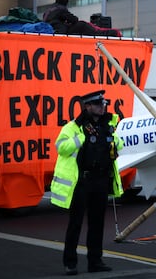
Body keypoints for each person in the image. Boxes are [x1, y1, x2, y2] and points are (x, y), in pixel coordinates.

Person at [50, 90, 124, 276]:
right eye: (98, 104)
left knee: (97, 223)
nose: (102, 107)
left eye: (104, 104)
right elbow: (61, 148)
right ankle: (70, 263)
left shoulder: (108, 126)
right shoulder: (74, 127)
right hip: (82, 181)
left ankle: (95, 261)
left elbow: (119, 145)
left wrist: (115, 141)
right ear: (88, 106)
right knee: (75, 224)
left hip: (100, 180)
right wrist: (80, 138)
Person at [43, 0, 121, 37]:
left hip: (55, 31)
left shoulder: (48, 10)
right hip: (62, 33)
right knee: (83, 25)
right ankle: (114, 33)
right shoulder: (61, 8)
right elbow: (74, 19)